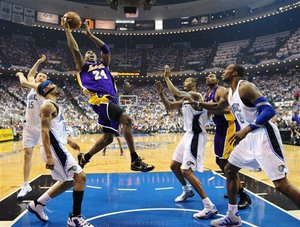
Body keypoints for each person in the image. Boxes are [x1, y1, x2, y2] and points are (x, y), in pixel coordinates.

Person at [191, 64, 300, 226]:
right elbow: (218, 107)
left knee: (281, 185)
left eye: (226, 69)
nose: (223, 72)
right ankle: (233, 216)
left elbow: (269, 110)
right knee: (229, 169)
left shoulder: (246, 87)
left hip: (263, 135)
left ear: (234, 73)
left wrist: (246, 129)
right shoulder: (229, 93)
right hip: (248, 138)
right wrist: (198, 104)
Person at [63, 20, 154, 172]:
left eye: (92, 52)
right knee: (126, 119)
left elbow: (105, 49)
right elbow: (75, 50)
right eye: (88, 53)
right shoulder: (83, 67)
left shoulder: (104, 64)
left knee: (108, 138)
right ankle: (135, 160)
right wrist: (68, 31)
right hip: (100, 100)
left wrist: (90, 35)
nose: (90, 53)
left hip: (111, 100)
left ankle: (85, 157)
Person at [26, 80, 93, 227]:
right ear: (46, 90)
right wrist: (49, 156)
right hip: (54, 150)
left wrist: (69, 142)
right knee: (80, 177)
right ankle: (75, 218)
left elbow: (55, 130)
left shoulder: (54, 106)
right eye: (49, 83)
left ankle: (37, 204)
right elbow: (44, 131)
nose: (54, 84)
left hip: (59, 147)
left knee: (69, 180)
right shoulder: (47, 106)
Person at [155, 66, 218, 220]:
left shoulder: (196, 96)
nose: (184, 83)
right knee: (174, 166)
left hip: (197, 136)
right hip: (187, 135)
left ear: (193, 84)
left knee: (186, 171)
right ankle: (187, 190)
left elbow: (176, 93)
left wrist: (167, 77)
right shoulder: (185, 99)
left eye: (186, 81)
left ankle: (209, 206)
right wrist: (161, 93)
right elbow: (169, 106)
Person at [204, 73, 251, 209]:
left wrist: (206, 106)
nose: (209, 77)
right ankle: (234, 187)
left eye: (212, 75)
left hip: (229, 127)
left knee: (227, 162)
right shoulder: (208, 93)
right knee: (219, 161)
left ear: (217, 80)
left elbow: (222, 108)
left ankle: (243, 195)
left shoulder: (222, 90)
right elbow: (211, 109)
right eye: (207, 76)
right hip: (220, 128)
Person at [16, 55, 47, 199]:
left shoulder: (42, 89)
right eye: (39, 75)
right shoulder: (31, 90)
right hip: (29, 127)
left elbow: (26, 78)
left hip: (42, 128)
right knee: (27, 155)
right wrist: (38, 62)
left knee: (47, 155)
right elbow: (31, 75)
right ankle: (25, 184)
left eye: (43, 76)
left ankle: (61, 175)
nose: (40, 77)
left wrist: (20, 75)